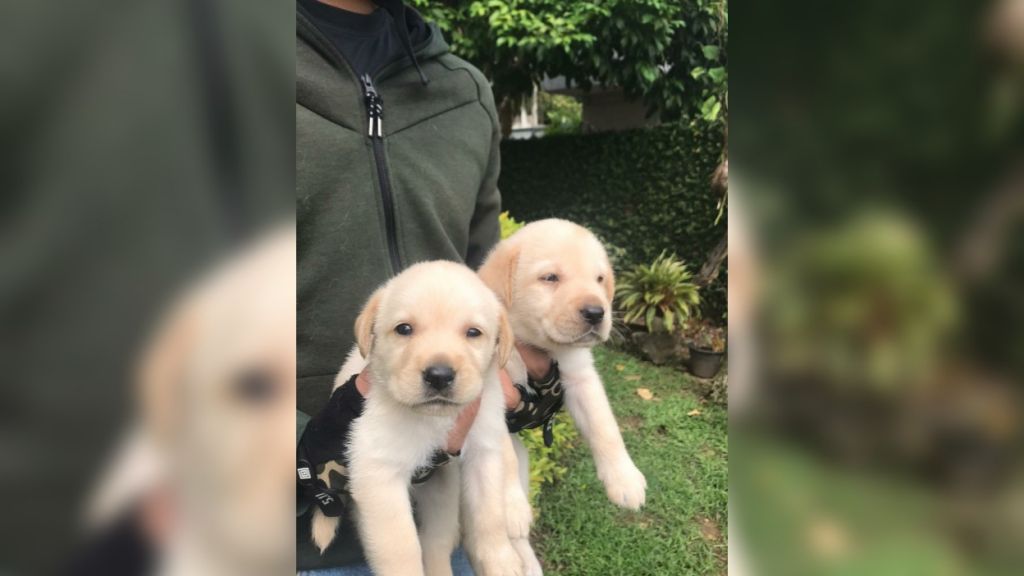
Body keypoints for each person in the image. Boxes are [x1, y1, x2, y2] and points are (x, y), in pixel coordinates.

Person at [295, 1, 555, 573]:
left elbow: (490, 281)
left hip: (447, 510)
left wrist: (533, 374)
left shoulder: (464, 93)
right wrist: (307, 451)